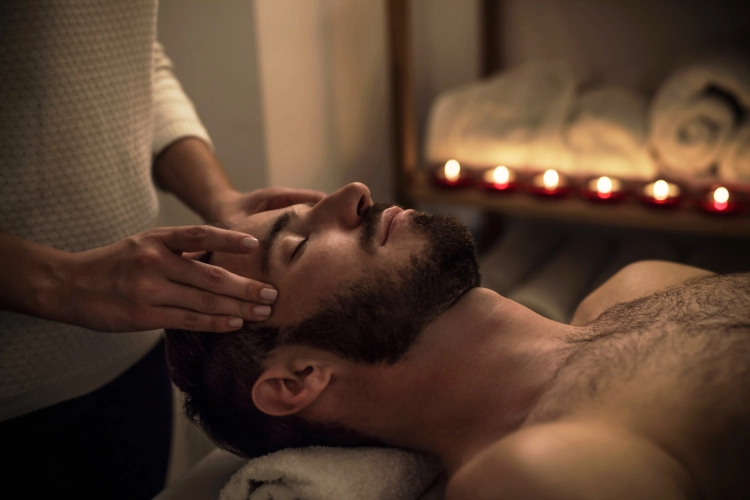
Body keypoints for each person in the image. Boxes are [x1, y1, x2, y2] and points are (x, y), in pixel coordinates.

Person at [166, 182, 750, 500]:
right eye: (296, 245)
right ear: (299, 379)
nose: (353, 194)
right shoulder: (538, 474)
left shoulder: (638, 286)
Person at [0, 3, 323, 498]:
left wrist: (221, 199)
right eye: (295, 249)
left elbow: (131, 60)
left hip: (133, 357)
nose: (356, 192)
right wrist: (59, 281)